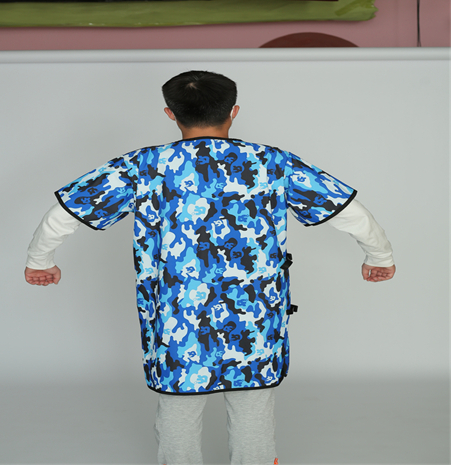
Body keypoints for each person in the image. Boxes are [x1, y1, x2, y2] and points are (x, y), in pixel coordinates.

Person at [25, 70, 395, 465]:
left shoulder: (142, 166)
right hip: (254, 314)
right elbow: (349, 211)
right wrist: (379, 256)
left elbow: (64, 214)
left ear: (170, 114)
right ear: (234, 111)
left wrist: (39, 260)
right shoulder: (273, 162)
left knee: (178, 407)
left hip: (177, 316)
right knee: (253, 406)